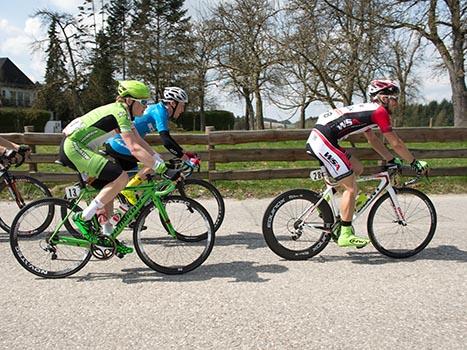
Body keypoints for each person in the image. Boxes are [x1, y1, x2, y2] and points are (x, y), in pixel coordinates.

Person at [58, 80, 178, 253]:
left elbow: (139, 140)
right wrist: (163, 169)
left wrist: (156, 157)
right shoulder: (119, 113)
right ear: (129, 101)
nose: (146, 107)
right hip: (74, 148)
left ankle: (107, 237)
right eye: (143, 102)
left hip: (79, 148)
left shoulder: (124, 114)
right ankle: (84, 217)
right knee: (120, 177)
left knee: (110, 191)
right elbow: (134, 148)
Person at [306, 79, 429, 248]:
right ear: (384, 98)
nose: (397, 103)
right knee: (351, 187)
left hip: (323, 138)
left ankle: (326, 202)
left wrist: (390, 159)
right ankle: (345, 234)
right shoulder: (379, 112)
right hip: (323, 141)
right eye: (394, 98)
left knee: (358, 168)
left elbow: (372, 139)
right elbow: (396, 143)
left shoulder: (368, 111)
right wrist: (414, 162)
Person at [105, 86, 195, 205]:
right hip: (118, 142)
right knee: (154, 162)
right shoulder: (160, 112)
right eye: (182, 105)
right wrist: (184, 157)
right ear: (173, 103)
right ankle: (127, 192)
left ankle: (127, 211)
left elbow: (168, 139)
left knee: (131, 182)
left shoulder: (160, 110)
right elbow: (166, 140)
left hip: (124, 142)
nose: (182, 110)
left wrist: (184, 152)